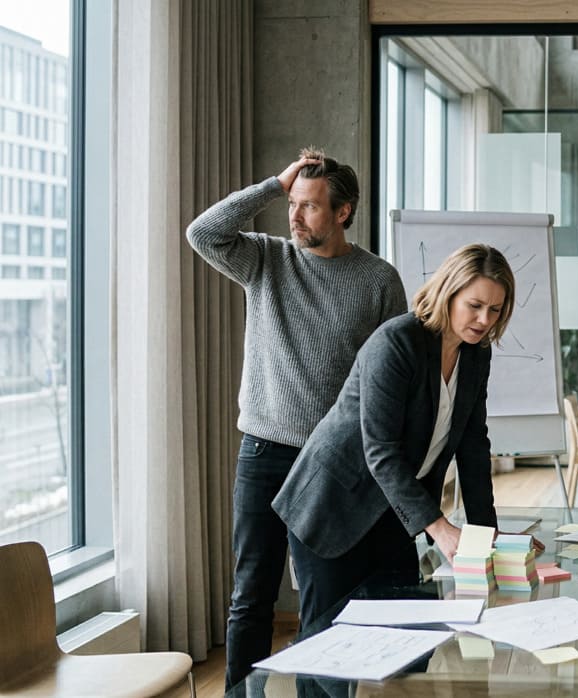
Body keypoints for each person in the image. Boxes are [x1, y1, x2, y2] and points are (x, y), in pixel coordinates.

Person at [186, 148, 407, 691]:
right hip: (263, 451)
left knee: (325, 600)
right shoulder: (265, 259)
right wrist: (274, 184)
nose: (296, 216)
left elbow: (394, 376)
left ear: (343, 212)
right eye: (293, 204)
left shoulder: (378, 279)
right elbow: (202, 233)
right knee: (251, 592)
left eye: (310, 206)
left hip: (333, 461)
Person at [273, 244, 539, 633]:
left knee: (410, 636)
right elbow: (380, 452)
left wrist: (488, 536)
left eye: (495, 310)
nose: (484, 320)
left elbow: (473, 446)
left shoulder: (476, 354)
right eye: (475, 305)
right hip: (334, 507)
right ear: (449, 293)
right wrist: (441, 527)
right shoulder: (397, 342)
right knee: (328, 645)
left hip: (393, 513)